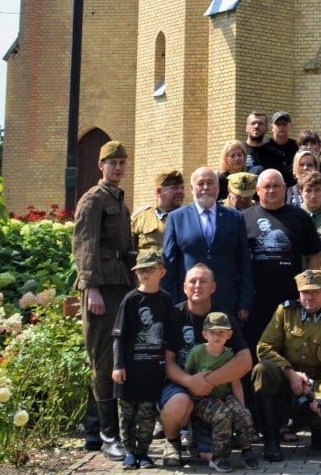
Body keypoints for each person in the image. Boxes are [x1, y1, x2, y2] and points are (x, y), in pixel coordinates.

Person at [71, 140, 134, 460]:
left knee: (111, 354)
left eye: (123, 163)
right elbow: (84, 246)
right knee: (104, 360)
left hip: (119, 284)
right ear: (101, 166)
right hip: (101, 288)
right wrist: (91, 287)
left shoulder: (119, 201)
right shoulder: (93, 199)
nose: (119, 168)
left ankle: (94, 432)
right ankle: (109, 436)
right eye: (113, 163)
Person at [159, 263, 253, 468]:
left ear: (213, 287)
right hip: (180, 385)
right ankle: (172, 442)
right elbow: (168, 362)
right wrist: (190, 381)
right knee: (178, 404)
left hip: (212, 390)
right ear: (184, 287)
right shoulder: (175, 315)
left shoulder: (223, 317)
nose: (197, 286)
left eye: (203, 281)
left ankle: (201, 440)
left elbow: (245, 361)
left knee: (208, 456)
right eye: (192, 281)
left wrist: (206, 382)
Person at [252, 270, 321, 461]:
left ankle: (319, 433)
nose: (309, 297)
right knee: (262, 370)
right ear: (299, 292)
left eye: (315, 292)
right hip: (287, 381)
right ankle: (271, 438)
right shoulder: (285, 312)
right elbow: (264, 347)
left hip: (316, 384)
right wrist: (290, 373)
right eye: (305, 292)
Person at [242, 169, 321, 348]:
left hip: (291, 298)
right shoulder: (244, 218)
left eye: (276, 186)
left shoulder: (300, 217)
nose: (272, 190)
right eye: (267, 186)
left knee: (289, 348)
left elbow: (314, 255)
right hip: (256, 301)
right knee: (256, 347)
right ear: (257, 190)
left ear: (285, 188)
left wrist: (308, 290)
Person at [162, 167, 252, 322]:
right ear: (191, 188)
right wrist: (171, 302)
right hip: (187, 302)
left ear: (217, 187)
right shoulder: (176, 218)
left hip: (226, 301)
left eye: (210, 183)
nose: (205, 187)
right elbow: (169, 264)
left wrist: (244, 302)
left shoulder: (235, 218)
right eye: (200, 183)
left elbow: (244, 263)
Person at [111, 249, 172, 469]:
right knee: (127, 414)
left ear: (162, 272)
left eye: (150, 269)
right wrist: (118, 366)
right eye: (141, 271)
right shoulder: (130, 300)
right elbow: (118, 336)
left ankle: (144, 452)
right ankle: (130, 452)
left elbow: (170, 336)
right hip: (130, 370)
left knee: (147, 415)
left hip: (152, 370)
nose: (145, 274)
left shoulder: (165, 300)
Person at [184, 312, 257, 473]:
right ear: (204, 334)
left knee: (242, 413)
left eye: (221, 333)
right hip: (202, 399)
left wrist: (242, 406)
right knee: (222, 415)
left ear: (229, 334)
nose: (217, 336)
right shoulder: (197, 352)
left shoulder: (229, 354)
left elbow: (235, 382)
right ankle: (220, 456)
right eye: (212, 332)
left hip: (224, 395)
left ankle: (247, 449)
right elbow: (188, 377)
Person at [131, 169, 184, 255]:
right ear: (158, 191)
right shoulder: (140, 218)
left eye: (182, 188)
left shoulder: (189, 218)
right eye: (174, 188)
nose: (180, 192)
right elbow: (128, 251)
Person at [265, 111, 299, 186]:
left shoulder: (297, 147)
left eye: (284, 124)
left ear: (290, 126)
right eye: (278, 124)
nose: (281, 126)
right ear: (272, 127)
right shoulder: (265, 147)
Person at [244, 112, 282, 176]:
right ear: (246, 128)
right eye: (253, 123)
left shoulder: (275, 155)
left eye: (260, 124)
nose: (256, 126)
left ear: (266, 129)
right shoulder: (238, 152)